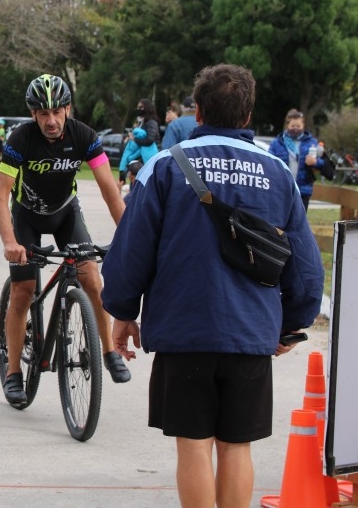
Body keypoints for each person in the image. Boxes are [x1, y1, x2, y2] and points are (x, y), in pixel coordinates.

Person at [102, 64, 324, 508]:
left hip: (185, 333)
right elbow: (306, 268)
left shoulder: (164, 168)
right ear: (248, 115)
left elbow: (130, 251)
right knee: (237, 447)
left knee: (194, 445)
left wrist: (123, 311)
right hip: (250, 332)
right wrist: (291, 325)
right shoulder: (278, 172)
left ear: (197, 112)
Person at [0, 74, 130, 407]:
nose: (51, 121)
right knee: (23, 290)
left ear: (67, 108)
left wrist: (129, 237)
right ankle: (13, 373)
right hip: (25, 216)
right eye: (43, 114)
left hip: (66, 212)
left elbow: (110, 191)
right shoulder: (20, 139)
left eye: (57, 111)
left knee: (91, 279)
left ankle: (109, 352)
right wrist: (10, 241)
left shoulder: (84, 136)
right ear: (33, 114)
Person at [268, 109, 323, 211]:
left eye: (298, 126)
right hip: (282, 188)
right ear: (287, 125)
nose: (295, 129)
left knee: (300, 221)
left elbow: (322, 163)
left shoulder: (311, 142)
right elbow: (269, 160)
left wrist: (315, 162)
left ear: (303, 126)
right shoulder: (277, 143)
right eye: (293, 126)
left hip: (303, 189)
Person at [116, 126, 158, 193]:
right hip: (151, 164)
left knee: (126, 178)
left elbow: (133, 154)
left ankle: (122, 189)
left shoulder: (136, 142)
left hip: (129, 164)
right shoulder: (147, 143)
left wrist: (129, 158)